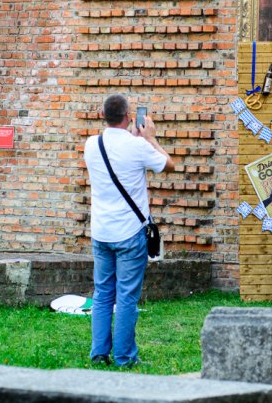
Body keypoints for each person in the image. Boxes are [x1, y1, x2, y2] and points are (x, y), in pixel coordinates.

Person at [83, 94, 175, 367]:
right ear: (128, 116)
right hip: (129, 233)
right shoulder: (138, 146)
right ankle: (124, 357)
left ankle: (99, 353)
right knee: (126, 296)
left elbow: (116, 152)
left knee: (102, 294)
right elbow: (168, 165)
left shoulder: (92, 144)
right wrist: (150, 138)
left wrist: (135, 138)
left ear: (103, 115)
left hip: (101, 231)